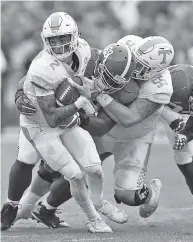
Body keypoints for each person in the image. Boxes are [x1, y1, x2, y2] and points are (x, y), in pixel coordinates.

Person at [13, 35, 176, 228]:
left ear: (157, 71)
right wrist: (20, 92)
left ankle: (150, 193)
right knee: (67, 165)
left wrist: (93, 100)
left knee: (126, 195)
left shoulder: (161, 86)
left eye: (143, 68)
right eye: (136, 62)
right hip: (104, 121)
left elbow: (128, 118)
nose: (136, 70)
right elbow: (43, 72)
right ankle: (37, 208)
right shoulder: (119, 54)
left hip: (134, 136)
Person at [1, 12, 135, 232]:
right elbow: (30, 83)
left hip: (69, 116)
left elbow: (102, 123)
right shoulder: (47, 65)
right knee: (28, 158)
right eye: (54, 39)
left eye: (64, 38)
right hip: (41, 119)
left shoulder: (86, 53)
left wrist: (83, 110)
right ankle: (12, 206)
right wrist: (19, 94)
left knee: (90, 167)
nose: (60, 45)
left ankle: (52, 208)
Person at [160, 65, 193, 224]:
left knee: (185, 159)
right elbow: (147, 96)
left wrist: (184, 136)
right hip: (157, 100)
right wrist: (168, 115)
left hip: (180, 110)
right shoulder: (176, 83)